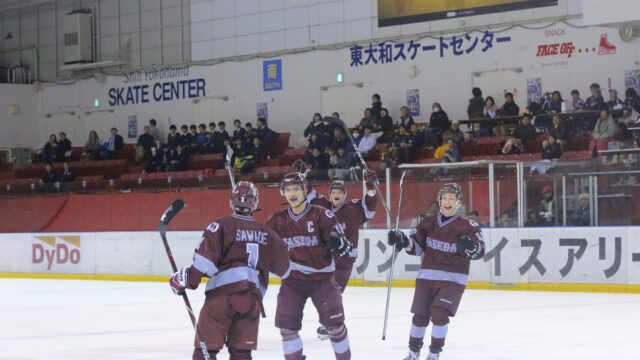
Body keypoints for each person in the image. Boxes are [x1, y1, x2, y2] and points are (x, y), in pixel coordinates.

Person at [169, 181, 291, 360]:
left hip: (221, 298)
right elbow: (285, 269)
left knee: (206, 350)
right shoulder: (268, 233)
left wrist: (184, 279)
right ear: (255, 204)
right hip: (252, 300)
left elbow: (204, 264)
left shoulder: (220, 226)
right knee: (241, 353)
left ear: (231, 201)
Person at [388, 183, 485, 360]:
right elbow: (416, 248)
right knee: (420, 316)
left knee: (439, 314)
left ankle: (434, 353)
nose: (447, 201)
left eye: (451, 198)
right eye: (444, 197)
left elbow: (480, 250)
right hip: (426, 277)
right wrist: (402, 240)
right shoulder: (428, 222)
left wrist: (474, 249)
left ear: (458, 202)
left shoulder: (468, 226)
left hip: (453, 280)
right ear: (439, 200)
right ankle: (413, 352)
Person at [265, 173, 353, 360]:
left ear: (305, 190)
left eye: (296, 188)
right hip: (292, 281)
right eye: (288, 189)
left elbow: (337, 238)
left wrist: (339, 243)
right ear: (283, 193)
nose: (292, 193)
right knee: (287, 328)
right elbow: (262, 245)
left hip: (323, 280)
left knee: (335, 327)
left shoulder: (321, 214)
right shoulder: (276, 220)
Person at [310, 173, 378, 339]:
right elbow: (306, 194)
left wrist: (371, 188)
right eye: (334, 192)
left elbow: (369, 207)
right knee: (322, 293)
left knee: (334, 292)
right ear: (329, 194)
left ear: (345, 195)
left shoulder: (352, 209)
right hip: (324, 259)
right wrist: (301, 175)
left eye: (340, 192)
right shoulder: (321, 207)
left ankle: (330, 324)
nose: (337, 194)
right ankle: (330, 322)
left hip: (344, 261)